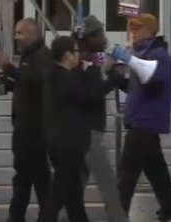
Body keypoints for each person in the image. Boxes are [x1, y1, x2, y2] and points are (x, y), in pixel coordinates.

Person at [39, 36, 117, 222]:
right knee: (57, 195)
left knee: (73, 195)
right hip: (69, 144)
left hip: (59, 142)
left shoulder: (54, 76)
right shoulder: (65, 78)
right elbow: (90, 95)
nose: (78, 55)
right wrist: (114, 77)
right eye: (75, 52)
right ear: (67, 55)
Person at [114, 13, 171, 222]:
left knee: (126, 174)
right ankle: (169, 208)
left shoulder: (158, 55)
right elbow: (136, 88)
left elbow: (153, 82)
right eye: (131, 28)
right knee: (156, 170)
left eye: (137, 28)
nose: (133, 32)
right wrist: (116, 74)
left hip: (145, 120)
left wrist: (130, 60)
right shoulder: (144, 54)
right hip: (142, 119)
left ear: (150, 30)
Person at [0, 18, 53, 222]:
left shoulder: (42, 56)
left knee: (34, 182)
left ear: (32, 34)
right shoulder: (29, 56)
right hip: (24, 131)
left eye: (20, 33)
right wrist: (10, 83)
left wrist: (10, 69)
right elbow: (28, 84)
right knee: (28, 180)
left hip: (34, 133)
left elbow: (37, 80)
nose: (16, 37)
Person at [74, 15, 126, 222]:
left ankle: (62, 214)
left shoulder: (89, 59)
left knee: (77, 179)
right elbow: (92, 93)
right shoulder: (84, 62)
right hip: (87, 130)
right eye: (100, 35)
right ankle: (117, 217)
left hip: (85, 128)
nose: (104, 39)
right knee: (106, 179)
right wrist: (113, 78)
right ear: (89, 37)